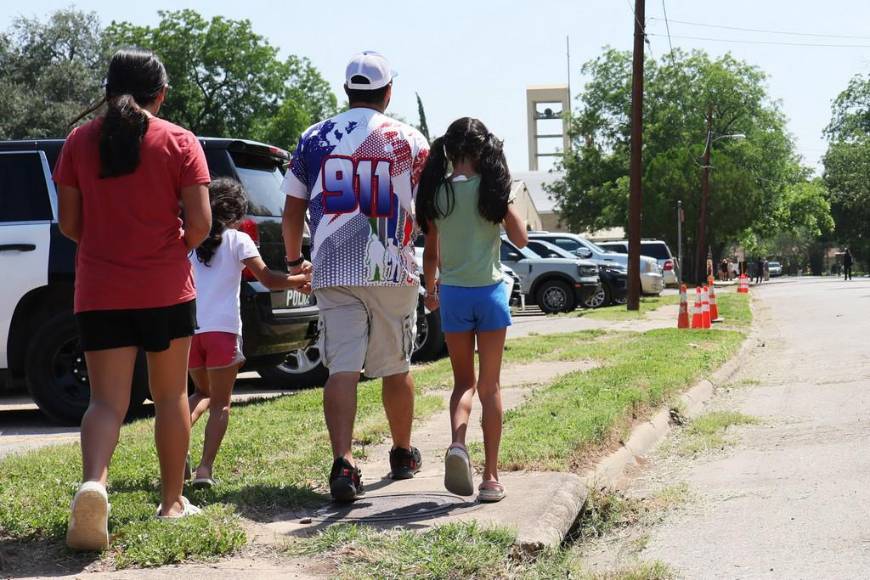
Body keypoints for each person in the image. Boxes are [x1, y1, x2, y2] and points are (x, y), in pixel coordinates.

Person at [55, 48, 212, 550]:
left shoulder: (78, 141)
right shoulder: (180, 141)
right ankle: (171, 503)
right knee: (170, 398)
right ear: (160, 94)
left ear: (107, 90)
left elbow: (69, 225)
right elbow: (203, 224)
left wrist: (109, 252)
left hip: (100, 291)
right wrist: (169, 251)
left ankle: (94, 485)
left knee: (105, 402)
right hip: (165, 290)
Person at [281, 51, 430, 502]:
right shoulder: (410, 140)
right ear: (388, 93)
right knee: (396, 365)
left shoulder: (314, 138)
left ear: (347, 92)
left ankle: (343, 462)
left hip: (332, 269)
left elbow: (291, 212)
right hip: (392, 267)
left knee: (341, 369)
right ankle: (403, 452)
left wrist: (293, 263)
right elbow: (428, 212)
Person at [416, 118, 527, 502]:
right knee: (490, 386)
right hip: (491, 295)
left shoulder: (438, 195)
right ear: (483, 153)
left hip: (456, 297)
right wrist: (503, 193)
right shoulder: (494, 193)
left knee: (463, 383)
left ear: (449, 153)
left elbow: (431, 252)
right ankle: (492, 477)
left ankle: (458, 445)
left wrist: (431, 291)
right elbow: (521, 238)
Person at [186, 179, 311, 488]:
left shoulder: (188, 240)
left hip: (189, 333)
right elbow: (268, 279)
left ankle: (178, 448)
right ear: (236, 213)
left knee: (200, 394)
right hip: (223, 332)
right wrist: (298, 280)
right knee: (221, 404)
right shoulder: (238, 240)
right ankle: (204, 469)